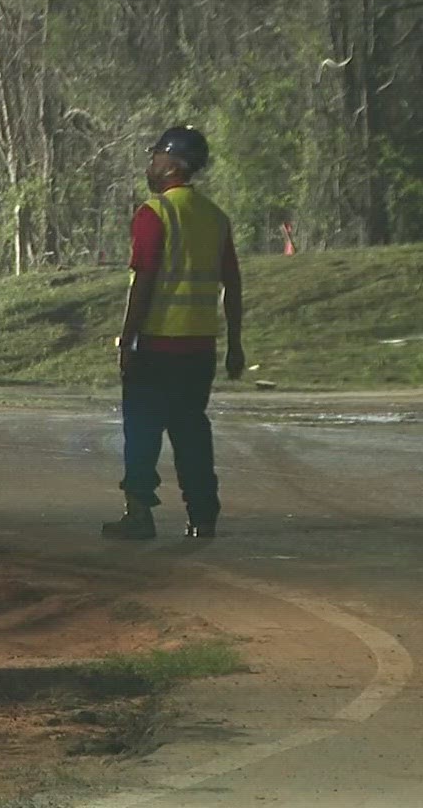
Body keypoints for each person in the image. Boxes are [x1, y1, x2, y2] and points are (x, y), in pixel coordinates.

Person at [102, 126, 245, 540]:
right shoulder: (215, 218)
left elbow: (143, 281)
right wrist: (235, 344)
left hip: (156, 347)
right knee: (192, 434)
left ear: (173, 164)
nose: (151, 164)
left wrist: (127, 339)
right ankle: (203, 516)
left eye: (156, 156)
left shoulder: (154, 213)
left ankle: (139, 514)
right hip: (200, 350)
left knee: (142, 432)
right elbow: (231, 285)